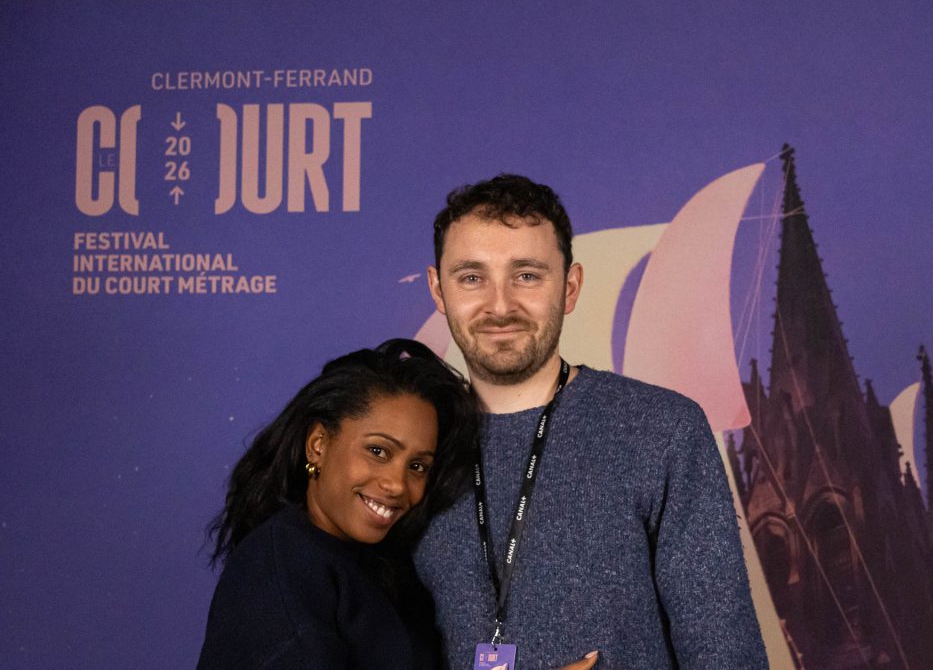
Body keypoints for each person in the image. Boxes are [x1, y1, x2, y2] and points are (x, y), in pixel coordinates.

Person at [416, 175, 769, 669]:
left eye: (527, 275)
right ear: (438, 289)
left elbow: (726, 654)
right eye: (472, 277)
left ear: (571, 287)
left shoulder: (660, 429)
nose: (500, 305)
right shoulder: (410, 446)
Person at [196, 339, 478, 670]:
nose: (397, 485)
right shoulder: (280, 569)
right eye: (378, 451)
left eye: (417, 466)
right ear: (318, 444)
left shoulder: (381, 567)